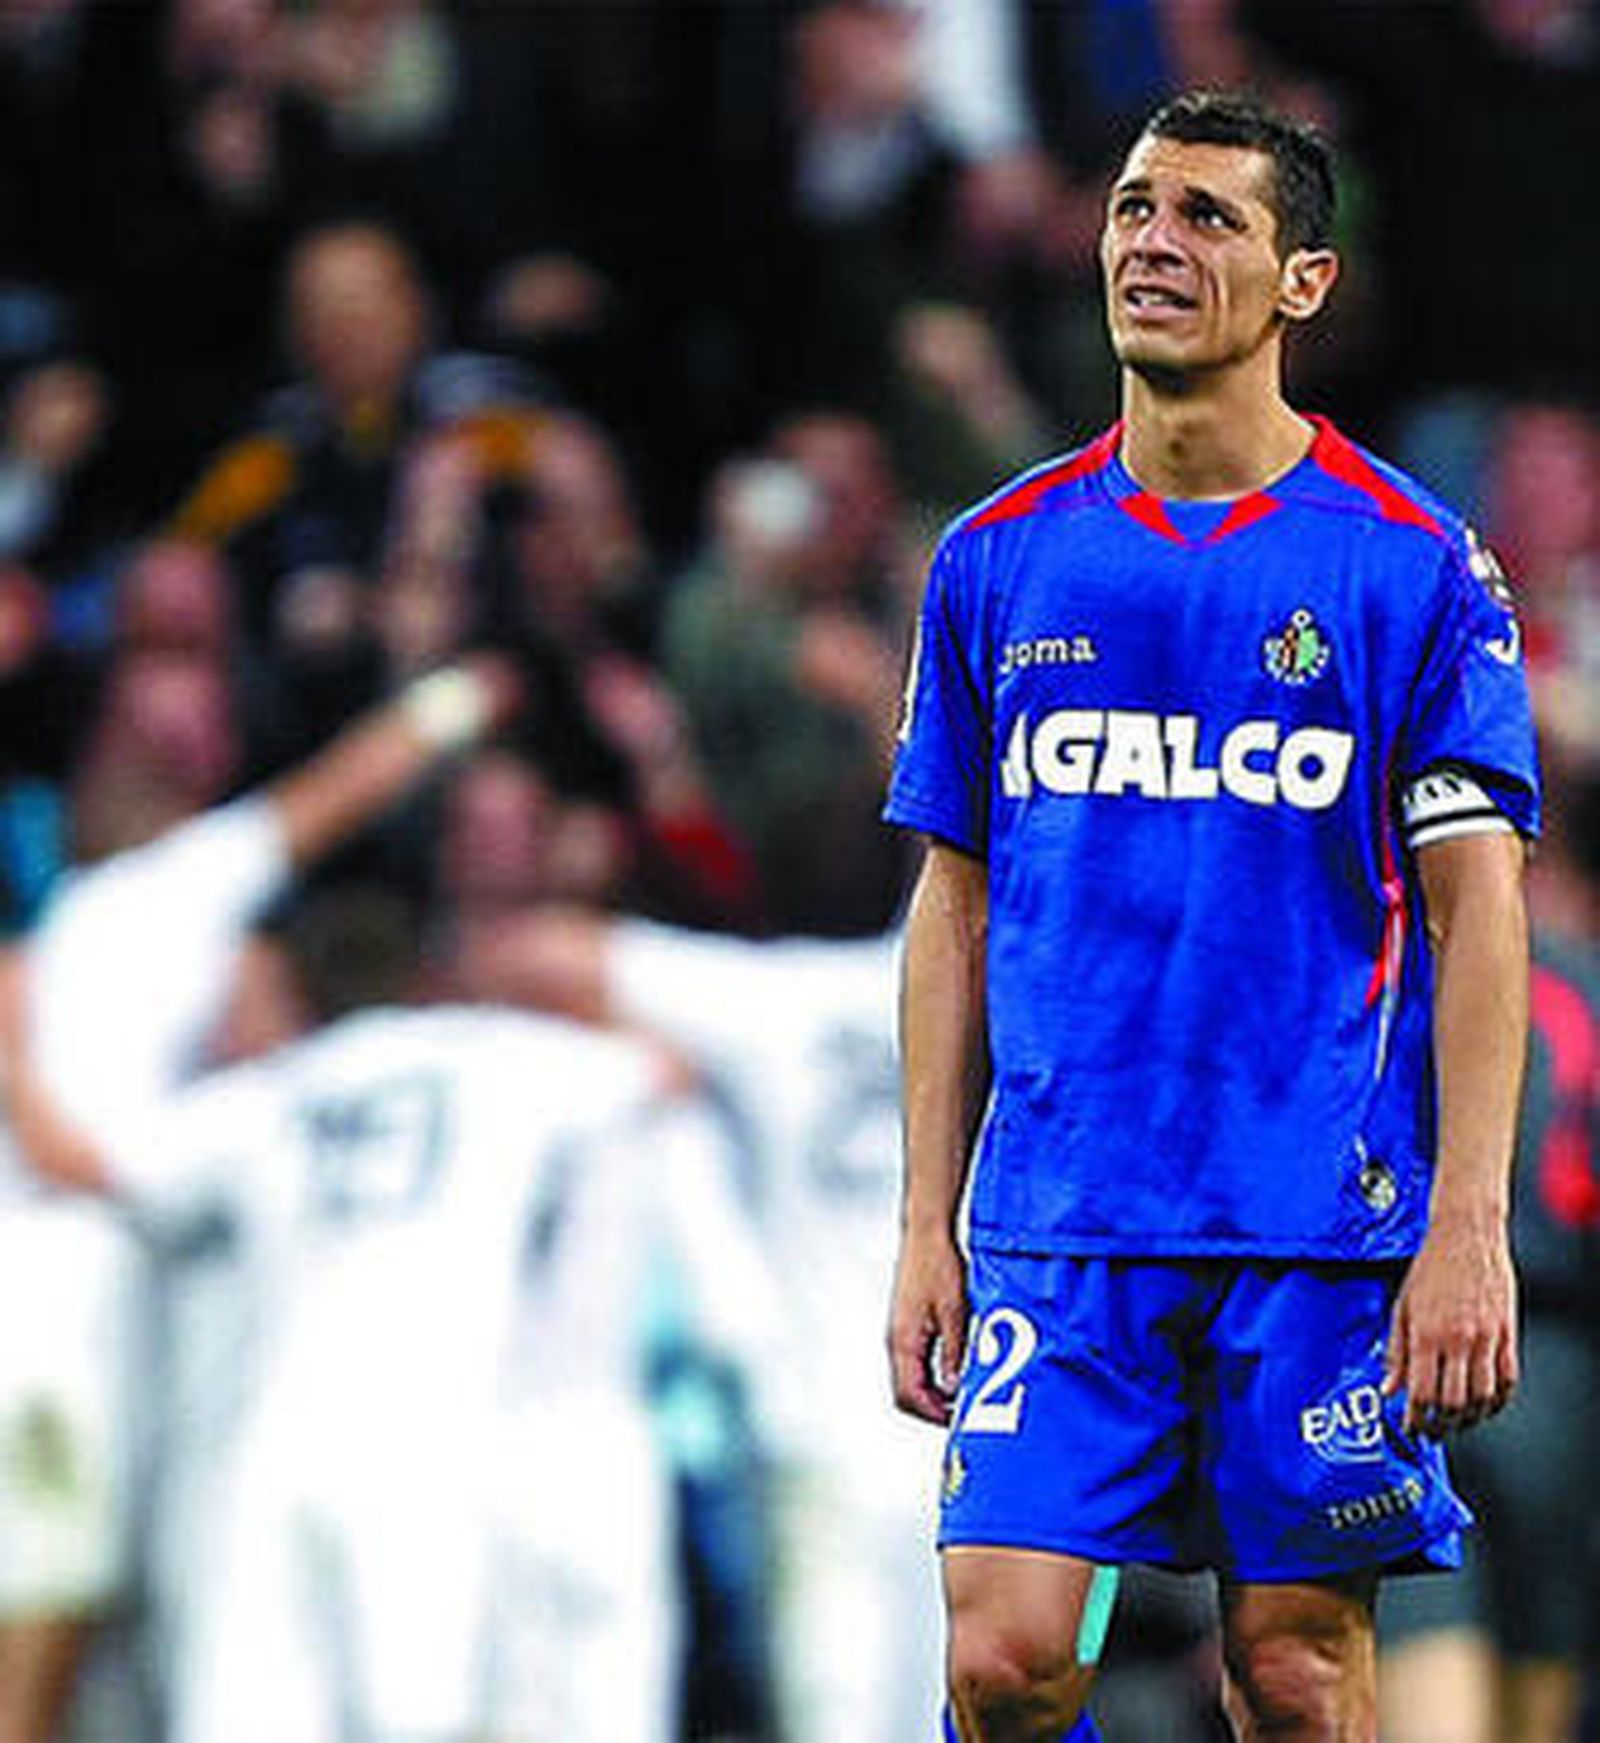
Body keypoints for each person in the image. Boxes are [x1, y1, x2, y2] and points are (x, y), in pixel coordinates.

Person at [885, 89, 1540, 1743]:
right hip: (1066, 1210)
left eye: (1207, 218)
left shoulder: (1414, 567)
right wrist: (923, 1221)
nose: (1152, 245)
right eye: (1131, 209)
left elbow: (1482, 913)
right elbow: (950, 908)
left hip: (1317, 1217)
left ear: (1303, 283)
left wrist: (1468, 1224)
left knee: (1298, 1678)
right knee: (1005, 1660)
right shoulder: (997, 558)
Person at [0, 655, 518, 1743]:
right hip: (71, 1301)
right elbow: (333, 795)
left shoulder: (71, 936)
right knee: (59, 1600)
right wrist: (463, 697)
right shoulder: (167, 889)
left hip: (109, 1290)